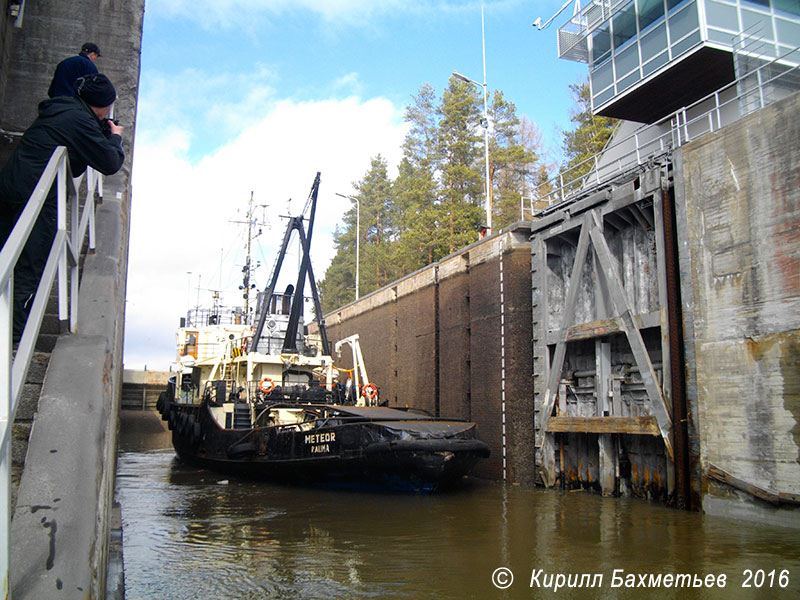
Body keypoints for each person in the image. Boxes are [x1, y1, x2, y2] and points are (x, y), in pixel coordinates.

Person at [0, 73, 124, 341]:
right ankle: (12, 339)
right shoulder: (80, 122)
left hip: (11, 184)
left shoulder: (61, 108)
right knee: (30, 267)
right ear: (102, 106)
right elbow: (110, 162)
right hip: (38, 196)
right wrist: (114, 138)